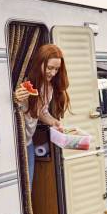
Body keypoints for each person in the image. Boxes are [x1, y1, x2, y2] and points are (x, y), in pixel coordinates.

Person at [13, 44, 70, 188]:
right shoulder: (22, 82)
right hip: (15, 143)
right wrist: (15, 98)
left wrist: (54, 122)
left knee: (28, 188)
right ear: (39, 63)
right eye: (50, 68)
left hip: (28, 142)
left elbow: (42, 112)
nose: (53, 73)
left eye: (56, 69)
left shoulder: (48, 87)